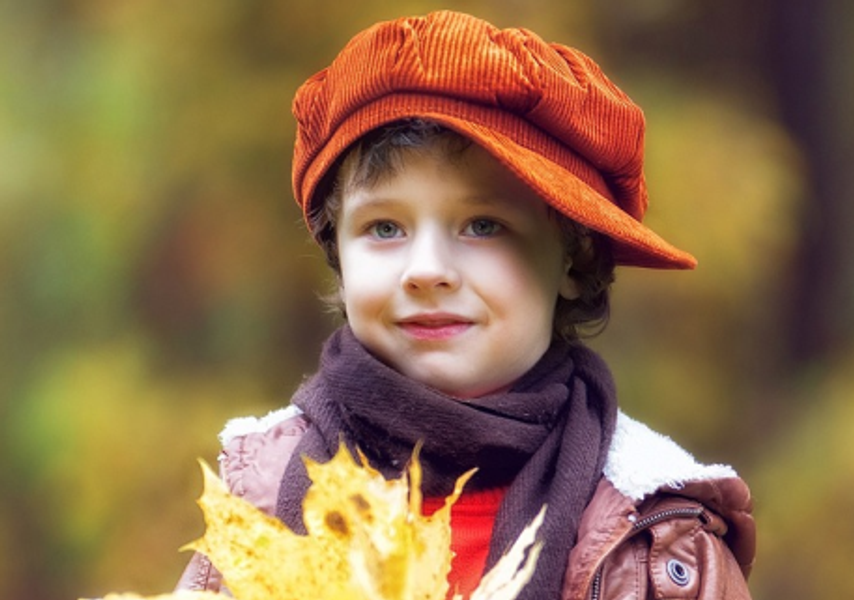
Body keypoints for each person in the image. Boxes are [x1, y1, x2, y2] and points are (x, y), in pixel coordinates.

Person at [177, 10, 755, 600]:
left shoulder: (656, 540)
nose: (427, 270)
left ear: (575, 262)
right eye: (383, 228)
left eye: (483, 225)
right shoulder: (260, 497)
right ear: (338, 255)